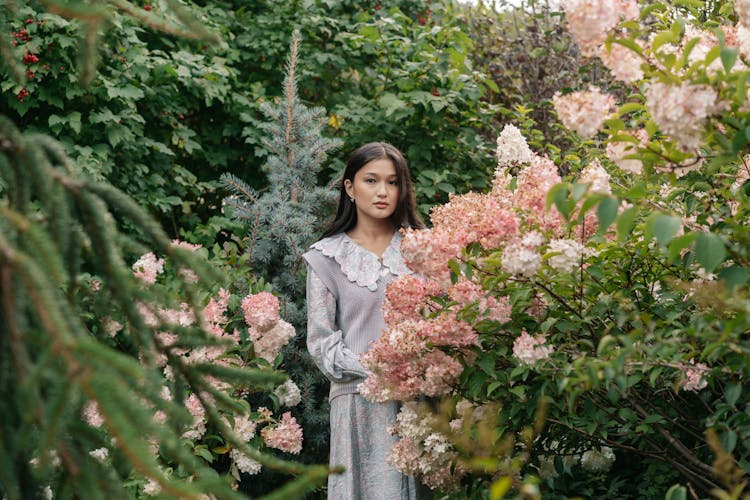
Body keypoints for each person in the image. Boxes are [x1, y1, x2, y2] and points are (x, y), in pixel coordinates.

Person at [302, 142, 425, 499]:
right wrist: (380, 368)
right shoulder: (326, 258)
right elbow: (322, 344)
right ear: (350, 188)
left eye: (392, 182)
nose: (383, 191)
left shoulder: (421, 250)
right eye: (371, 180)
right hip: (356, 402)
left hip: (415, 402)